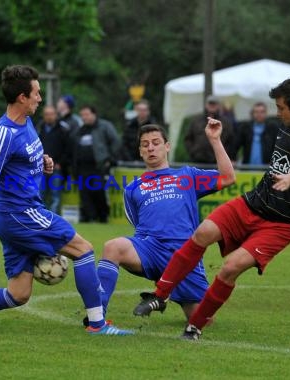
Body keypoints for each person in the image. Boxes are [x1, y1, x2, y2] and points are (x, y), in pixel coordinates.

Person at [0, 65, 133, 336]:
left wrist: (42, 161)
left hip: (19, 216)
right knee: (83, 250)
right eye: (36, 93)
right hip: (21, 214)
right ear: (22, 97)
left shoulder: (26, 122)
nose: (40, 98)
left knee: (18, 294)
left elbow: (23, 157)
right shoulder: (3, 134)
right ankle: (97, 325)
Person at [133, 76, 290, 341]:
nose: (277, 113)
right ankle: (160, 296)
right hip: (253, 203)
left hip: (283, 222)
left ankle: (193, 328)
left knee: (231, 268)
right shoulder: (284, 126)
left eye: (281, 107)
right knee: (202, 233)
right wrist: (216, 137)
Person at [93, 122, 235, 325]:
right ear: (140, 151)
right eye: (145, 144)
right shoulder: (133, 188)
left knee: (201, 320)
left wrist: (214, 139)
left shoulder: (188, 176)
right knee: (113, 247)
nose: (150, 148)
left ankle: (166, 291)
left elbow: (228, 178)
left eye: (155, 142)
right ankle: (96, 318)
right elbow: (137, 225)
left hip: (184, 254)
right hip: (151, 248)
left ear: (167, 146)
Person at [73, 105, 121, 223]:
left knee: (99, 192)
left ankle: (103, 216)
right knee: (85, 194)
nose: (84, 117)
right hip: (83, 167)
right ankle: (90, 217)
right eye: (82, 115)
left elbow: (115, 142)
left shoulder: (105, 126)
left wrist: (109, 159)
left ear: (94, 114)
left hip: (99, 166)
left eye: (87, 114)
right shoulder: (80, 130)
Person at [36, 105, 71, 214]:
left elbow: (68, 149)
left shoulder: (63, 130)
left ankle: (53, 220)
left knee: (55, 196)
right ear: (43, 116)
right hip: (40, 168)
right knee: (40, 195)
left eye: (51, 114)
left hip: (56, 168)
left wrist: (60, 163)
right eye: (46, 114)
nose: (49, 117)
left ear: (56, 115)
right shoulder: (38, 129)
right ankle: (41, 218)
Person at [184, 95, 236, 164]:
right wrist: (193, 151)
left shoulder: (226, 123)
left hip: (218, 162)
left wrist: (227, 155)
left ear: (218, 106)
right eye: (210, 103)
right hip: (197, 161)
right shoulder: (196, 120)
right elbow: (188, 138)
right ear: (206, 105)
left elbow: (232, 142)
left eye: (214, 104)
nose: (212, 105)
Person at [235, 102, 280, 166]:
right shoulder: (245, 127)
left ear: (266, 113)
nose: (259, 114)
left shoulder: (273, 127)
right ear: (252, 113)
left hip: (266, 167)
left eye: (262, 112)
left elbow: (277, 147)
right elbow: (236, 144)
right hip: (247, 167)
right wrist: (232, 158)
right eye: (256, 112)